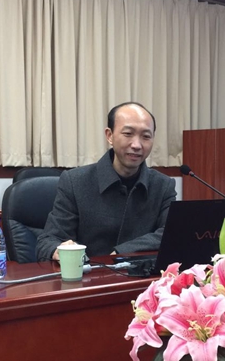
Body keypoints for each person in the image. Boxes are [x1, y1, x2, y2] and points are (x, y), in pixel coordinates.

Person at [36, 102, 177, 261]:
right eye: (128, 134)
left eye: (146, 136)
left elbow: (172, 233)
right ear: (109, 135)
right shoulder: (75, 182)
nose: (137, 145)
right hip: (90, 274)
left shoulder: (163, 185)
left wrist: (123, 252)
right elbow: (48, 241)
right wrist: (58, 250)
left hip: (142, 274)